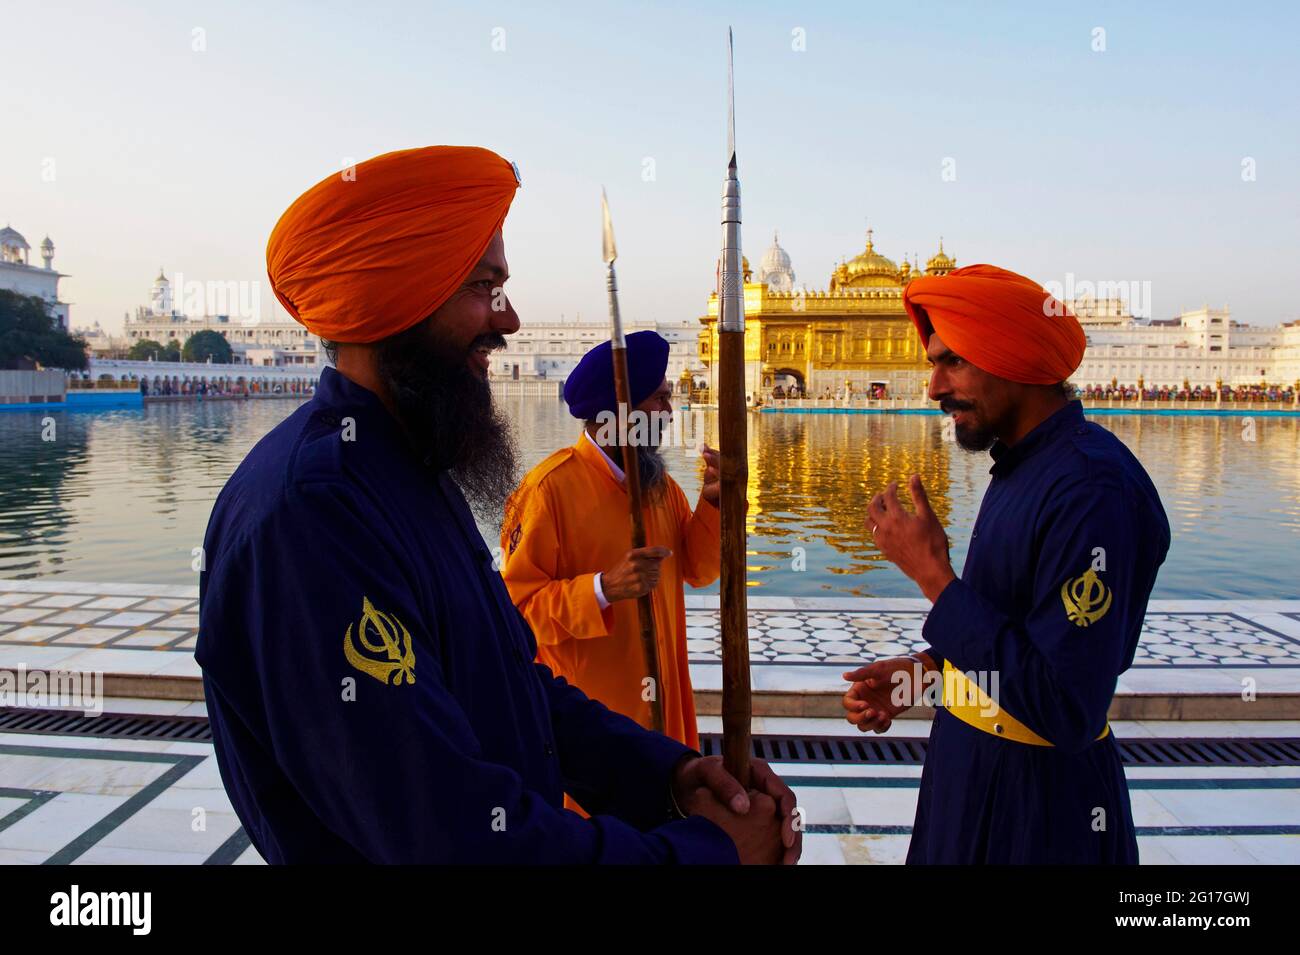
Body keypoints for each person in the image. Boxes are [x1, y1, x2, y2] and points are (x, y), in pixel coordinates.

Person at [196, 145, 800, 864]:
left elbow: (513, 686)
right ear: (400, 297)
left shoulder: (409, 469)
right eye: (485, 286)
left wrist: (668, 775)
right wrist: (706, 853)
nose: (509, 319)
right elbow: (449, 830)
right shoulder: (310, 517)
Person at [842, 264, 1169, 864]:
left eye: (954, 363)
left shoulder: (1088, 489)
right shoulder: (1024, 467)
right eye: (933, 364)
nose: (934, 387)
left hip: (1038, 811)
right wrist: (924, 675)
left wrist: (934, 578)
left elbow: (1066, 705)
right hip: (974, 782)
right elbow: (1018, 633)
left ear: (1015, 361)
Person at [499, 332, 720, 760]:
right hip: (592, 721)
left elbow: (699, 570)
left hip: (663, 707)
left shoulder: (659, 487)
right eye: (658, 399)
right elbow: (517, 616)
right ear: (620, 413)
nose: (670, 413)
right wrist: (601, 589)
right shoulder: (547, 490)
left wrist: (713, 502)